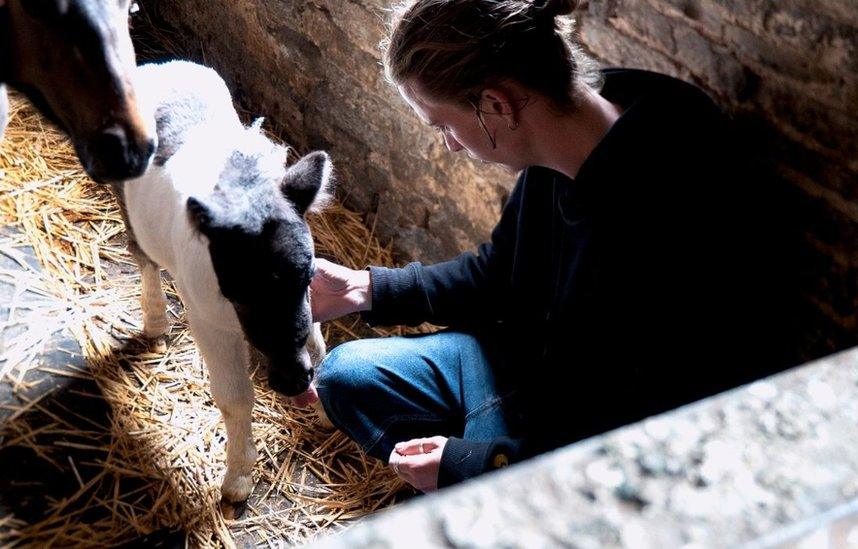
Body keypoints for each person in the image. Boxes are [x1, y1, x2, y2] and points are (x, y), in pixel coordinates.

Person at [306, 0, 790, 493]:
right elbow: (500, 272)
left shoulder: (657, 211)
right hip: (518, 366)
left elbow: (623, 416)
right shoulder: (573, 126)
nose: (450, 144)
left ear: (495, 105)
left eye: (445, 125)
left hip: (594, 429)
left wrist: (477, 463)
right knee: (345, 374)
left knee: (495, 493)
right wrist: (366, 289)